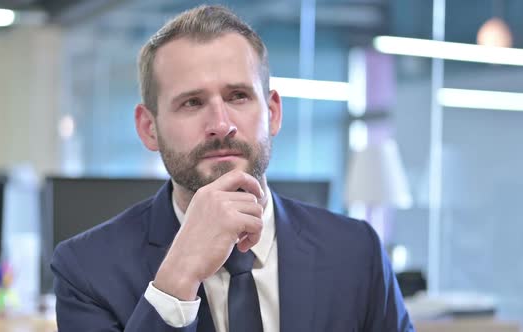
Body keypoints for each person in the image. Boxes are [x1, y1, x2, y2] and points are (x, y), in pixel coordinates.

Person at [51, 5, 414, 332]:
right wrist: (177, 279)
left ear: (272, 113)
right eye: (192, 102)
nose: (221, 124)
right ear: (149, 128)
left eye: (238, 96)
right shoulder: (86, 269)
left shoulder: (355, 252)